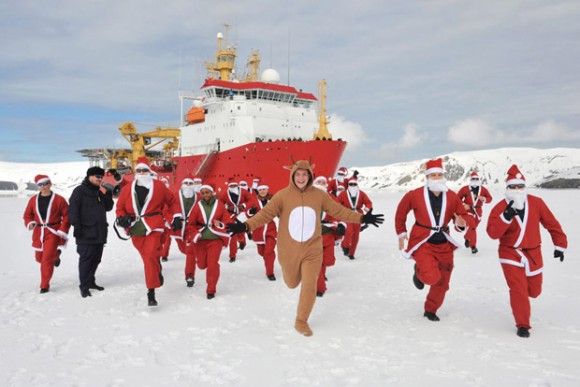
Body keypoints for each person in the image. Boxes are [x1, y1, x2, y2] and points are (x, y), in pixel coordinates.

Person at [227, 159, 384, 336]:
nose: (301, 177)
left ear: (310, 176)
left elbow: (339, 211)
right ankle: (294, 276)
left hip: (312, 249)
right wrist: (245, 226)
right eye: (298, 174)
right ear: (292, 176)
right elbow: (265, 214)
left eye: (305, 174)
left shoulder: (320, 196)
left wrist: (362, 218)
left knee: (309, 285)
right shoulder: (282, 196)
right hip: (289, 249)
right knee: (291, 282)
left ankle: (301, 320)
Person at [486, 165, 567, 338]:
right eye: (513, 187)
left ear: (525, 187)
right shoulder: (500, 208)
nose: (517, 190)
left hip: (533, 252)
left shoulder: (537, 203)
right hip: (509, 252)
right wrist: (505, 217)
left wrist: (559, 244)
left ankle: (526, 303)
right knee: (518, 289)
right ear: (507, 189)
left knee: (534, 291)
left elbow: (551, 223)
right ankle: (523, 324)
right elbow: (492, 233)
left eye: (520, 186)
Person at [395, 158, 472, 322]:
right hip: (423, 241)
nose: (437, 178)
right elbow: (401, 213)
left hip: (444, 243)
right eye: (433, 175)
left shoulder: (452, 196)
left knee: (443, 283)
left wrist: (461, 224)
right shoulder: (414, 195)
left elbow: (462, 216)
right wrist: (402, 233)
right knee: (431, 277)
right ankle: (419, 272)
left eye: (439, 175)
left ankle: (430, 310)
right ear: (427, 178)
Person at [115, 159, 182, 306]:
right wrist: (121, 217)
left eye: (144, 170)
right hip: (135, 228)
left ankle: (151, 292)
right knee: (148, 258)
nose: (141, 173)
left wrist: (177, 216)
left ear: (149, 171)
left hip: (154, 226)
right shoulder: (127, 189)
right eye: (138, 171)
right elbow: (119, 207)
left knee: (150, 254)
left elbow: (172, 201)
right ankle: (156, 269)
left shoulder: (158, 186)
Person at [68, 166, 114, 298]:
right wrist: (76, 227)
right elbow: (73, 210)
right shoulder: (79, 191)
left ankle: (91, 282)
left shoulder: (98, 192)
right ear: (89, 176)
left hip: (99, 232)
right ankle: (84, 286)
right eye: (96, 177)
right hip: (85, 232)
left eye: (101, 177)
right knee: (86, 259)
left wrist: (109, 193)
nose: (99, 179)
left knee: (96, 259)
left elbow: (108, 207)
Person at [23, 174, 71, 293]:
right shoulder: (33, 200)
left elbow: (67, 216)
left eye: (45, 184)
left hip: (53, 231)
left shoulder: (59, 199)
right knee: (39, 258)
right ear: (38, 186)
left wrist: (62, 229)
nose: (43, 186)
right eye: (40, 184)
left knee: (46, 260)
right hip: (38, 232)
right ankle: (56, 255)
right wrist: (30, 223)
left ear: (50, 184)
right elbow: (27, 215)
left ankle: (44, 285)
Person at [184, 184, 231, 299]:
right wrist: (195, 234)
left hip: (215, 239)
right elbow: (191, 225)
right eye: (203, 193)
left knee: (212, 264)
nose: (205, 195)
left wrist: (220, 224)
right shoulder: (197, 206)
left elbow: (228, 221)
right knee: (201, 265)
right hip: (200, 240)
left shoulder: (219, 205)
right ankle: (211, 268)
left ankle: (211, 289)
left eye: (207, 192)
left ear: (212, 192)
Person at [313, 176, 345, 297]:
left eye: (323, 182)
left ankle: (321, 274)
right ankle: (320, 288)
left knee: (327, 260)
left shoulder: (331, 198)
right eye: (319, 182)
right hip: (313, 237)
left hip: (328, 235)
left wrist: (340, 224)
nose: (321, 184)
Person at [244, 182, 278, 281]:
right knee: (262, 252)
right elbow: (247, 212)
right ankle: (267, 259)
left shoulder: (273, 200)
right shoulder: (253, 200)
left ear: (267, 190)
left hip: (270, 229)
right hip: (258, 229)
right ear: (258, 191)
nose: (262, 191)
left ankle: (270, 272)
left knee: (269, 251)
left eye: (264, 189)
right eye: (260, 189)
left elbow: (281, 210)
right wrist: (251, 212)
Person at [171, 178, 200, 287]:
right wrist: (173, 219)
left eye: (190, 183)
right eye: (186, 183)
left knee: (190, 251)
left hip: (192, 228)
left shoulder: (199, 196)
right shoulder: (174, 196)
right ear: (182, 184)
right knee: (183, 249)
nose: (188, 185)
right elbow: (166, 210)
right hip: (178, 228)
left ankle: (189, 275)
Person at [337, 176, 373, 260]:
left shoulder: (362, 194)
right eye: (351, 184)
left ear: (357, 185)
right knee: (349, 231)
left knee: (356, 235)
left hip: (358, 215)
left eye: (354, 184)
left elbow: (368, 202)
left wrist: (367, 208)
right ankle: (345, 246)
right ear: (348, 185)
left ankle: (352, 253)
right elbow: (337, 203)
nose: (352, 185)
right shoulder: (343, 194)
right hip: (347, 214)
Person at [457, 171, 493, 254]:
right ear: (470, 179)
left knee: (473, 228)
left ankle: (466, 237)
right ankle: (473, 246)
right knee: (472, 226)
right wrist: (463, 205)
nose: (475, 180)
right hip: (468, 211)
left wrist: (484, 199)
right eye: (473, 179)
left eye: (477, 179)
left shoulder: (483, 189)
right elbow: (457, 199)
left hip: (478, 211)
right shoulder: (465, 189)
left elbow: (490, 198)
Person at [219, 178, 252, 262]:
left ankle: (242, 241)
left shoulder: (244, 192)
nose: (233, 187)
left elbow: (252, 200)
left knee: (240, 234)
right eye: (231, 186)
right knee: (233, 235)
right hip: (231, 216)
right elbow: (220, 203)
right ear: (228, 186)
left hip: (241, 215)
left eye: (234, 185)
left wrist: (244, 205)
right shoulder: (226, 194)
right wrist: (227, 207)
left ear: (237, 185)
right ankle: (232, 255)